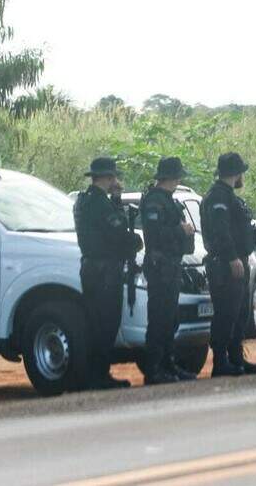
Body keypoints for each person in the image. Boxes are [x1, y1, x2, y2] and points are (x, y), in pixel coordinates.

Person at [74, 156, 143, 390]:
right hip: (104, 270)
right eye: (113, 176)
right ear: (106, 177)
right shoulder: (100, 203)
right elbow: (117, 233)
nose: (116, 180)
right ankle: (98, 375)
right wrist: (133, 241)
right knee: (106, 322)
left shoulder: (84, 200)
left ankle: (95, 373)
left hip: (91, 267)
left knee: (95, 321)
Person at [200, 152, 256, 377]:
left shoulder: (228, 196)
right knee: (226, 313)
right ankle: (221, 362)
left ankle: (236, 359)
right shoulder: (218, 198)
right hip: (226, 264)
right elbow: (221, 231)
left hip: (237, 260)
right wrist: (231, 257)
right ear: (237, 173)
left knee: (239, 313)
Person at [140, 157, 197, 385]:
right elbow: (155, 234)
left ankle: (168, 363)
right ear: (173, 177)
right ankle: (154, 368)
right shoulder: (154, 201)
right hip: (159, 265)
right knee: (159, 318)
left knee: (170, 318)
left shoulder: (169, 201)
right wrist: (180, 230)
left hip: (171, 264)